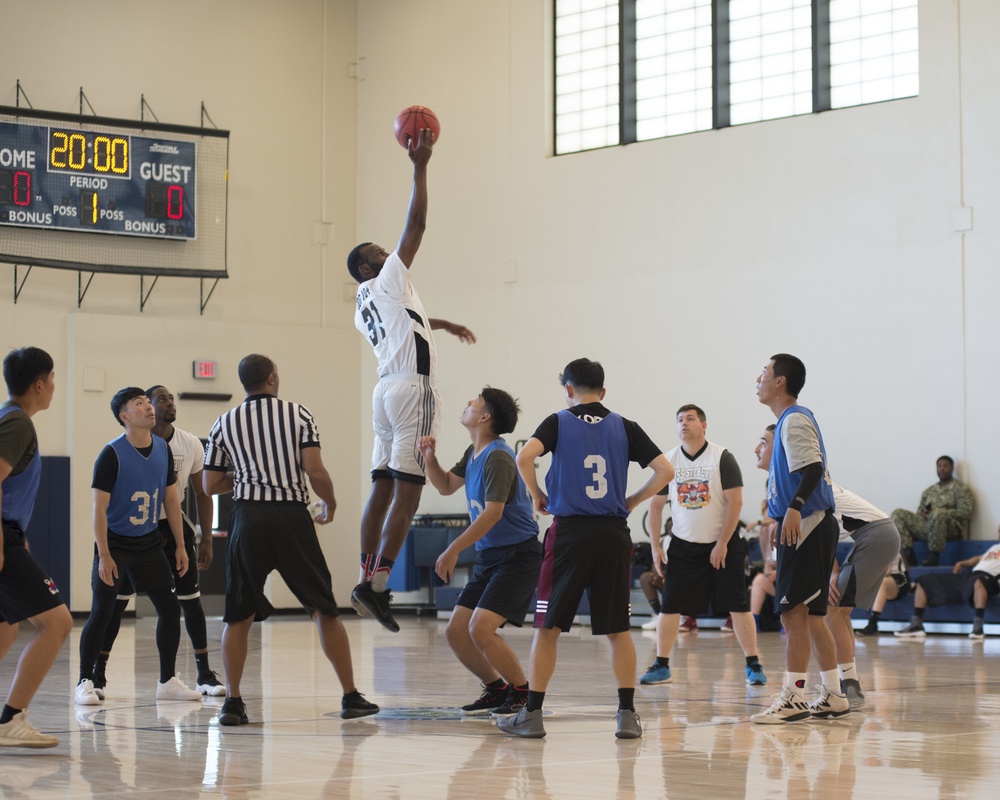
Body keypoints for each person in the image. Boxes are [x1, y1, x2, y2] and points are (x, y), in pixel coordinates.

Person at [496, 358, 673, 739]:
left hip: (570, 534)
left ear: (568, 390)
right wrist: (631, 500)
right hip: (613, 533)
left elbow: (524, 456)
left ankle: (532, 714)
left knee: (548, 627)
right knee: (618, 629)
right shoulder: (625, 426)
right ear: (603, 392)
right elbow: (666, 472)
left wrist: (536, 493)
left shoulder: (558, 421)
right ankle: (626, 714)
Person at [202, 354, 379, 725]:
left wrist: (249, 477)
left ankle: (232, 702)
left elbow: (210, 484)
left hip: (247, 519)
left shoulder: (224, 422)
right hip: (290, 517)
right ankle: (350, 696)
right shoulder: (298, 414)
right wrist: (330, 502)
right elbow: (314, 470)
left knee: (238, 614)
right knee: (323, 608)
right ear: (271, 378)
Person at [346, 127, 475, 632]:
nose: (388, 252)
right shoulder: (384, 277)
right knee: (410, 493)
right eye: (378, 250)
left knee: (381, 488)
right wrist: (420, 166)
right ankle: (378, 586)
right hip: (413, 388)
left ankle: (365, 577)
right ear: (366, 265)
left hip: (384, 391)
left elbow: (411, 322)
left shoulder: (363, 305)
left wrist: (444, 324)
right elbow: (417, 224)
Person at [754, 424, 900, 711]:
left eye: (762, 442)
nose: (756, 448)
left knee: (834, 609)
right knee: (830, 610)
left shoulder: (799, 481)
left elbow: (820, 527)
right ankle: (840, 687)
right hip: (865, 536)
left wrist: (832, 572)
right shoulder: (781, 483)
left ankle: (847, 687)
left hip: (876, 534)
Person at [417, 387, 542, 717]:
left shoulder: (498, 456)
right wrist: (430, 459)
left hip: (518, 555)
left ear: (484, 417)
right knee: (457, 631)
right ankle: (496, 688)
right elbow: (445, 485)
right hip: (491, 555)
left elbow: (493, 513)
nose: (467, 404)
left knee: (480, 628)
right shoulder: (473, 453)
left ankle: (522, 692)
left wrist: (452, 549)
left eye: (473, 402)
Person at [93, 385, 224, 698]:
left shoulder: (188, 443)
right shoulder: (122, 449)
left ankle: (203, 673)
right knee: (115, 606)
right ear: (141, 409)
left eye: (171, 398)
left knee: (189, 602)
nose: (166, 403)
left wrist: (205, 537)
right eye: (158, 399)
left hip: (172, 531)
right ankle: (96, 674)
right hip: (135, 532)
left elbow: (202, 492)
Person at [751, 353, 848, 724]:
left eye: (763, 373)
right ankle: (834, 695)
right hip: (808, 523)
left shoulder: (793, 420)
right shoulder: (789, 422)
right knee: (812, 617)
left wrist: (794, 508)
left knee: (793, 615)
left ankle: (793, 698)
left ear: (780, 381)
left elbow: (813, 468)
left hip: (807, 524)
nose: (757, 379)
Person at [641, 405, 766, 688]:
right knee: (670, 607)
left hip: (722, 545)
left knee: (738, 605)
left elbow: (736, 502)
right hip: (684, 547)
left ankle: (753, 664)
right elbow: (656, 505)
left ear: (704, 425)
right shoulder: (669, 461)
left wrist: (722, 543)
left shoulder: (722, 457)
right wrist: (655, 546)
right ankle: (662, 665)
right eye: (680, 420)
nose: (684, 423)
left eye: (690, 418)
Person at [0, 347, 73, 748]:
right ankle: (12, 720)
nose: (54, 388)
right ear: (40, 384)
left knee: (5, 630)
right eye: (53, 380)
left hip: (10, 533)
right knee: (57, 622)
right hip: (2, 539)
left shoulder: (8, 418)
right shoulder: (17, 424)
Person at [894, 526, 1000, 640]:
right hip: (969, 576)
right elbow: (979, 558)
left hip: (990, 579)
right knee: (924, 581)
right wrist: (962, 563)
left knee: (979, 581)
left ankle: (978, 628)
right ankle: (916, 625)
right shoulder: (995, 547)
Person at [891, 456, 973, 566]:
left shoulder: (961, 489)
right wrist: (925, 514)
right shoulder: (929, 491)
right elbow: (919, 513)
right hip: (929, 527)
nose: (942, 469)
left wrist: (942, 512)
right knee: (897, 513)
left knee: (938, 513)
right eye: (939, 466)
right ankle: (909, 553)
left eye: (945, 466)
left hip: (951, 529)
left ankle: (934, 555)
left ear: (952, 469)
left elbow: (966, 512)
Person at [856, 555, 910, 636]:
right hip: (882, 578)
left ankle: (873, 623)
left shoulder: (888, 545)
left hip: (900, 579)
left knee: (882, 582)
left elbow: (886, 572)